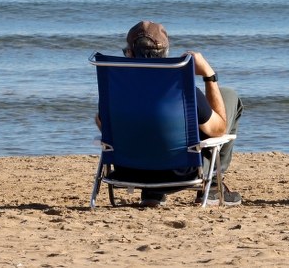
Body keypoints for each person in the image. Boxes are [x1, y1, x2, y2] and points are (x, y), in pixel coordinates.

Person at [97, 20, 244, 207]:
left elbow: (104, 125)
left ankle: (152, 193)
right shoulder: (183, 91)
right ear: (166, 53)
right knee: (229, 96)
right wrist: (209, 75)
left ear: (129, 53)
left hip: (128, 171)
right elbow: (218, 130)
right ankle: (213, 187)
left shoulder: (116, 92)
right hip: (181, 172)